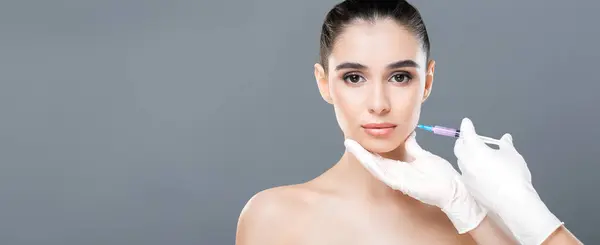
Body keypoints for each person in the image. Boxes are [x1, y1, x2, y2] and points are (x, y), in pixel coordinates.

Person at [236, 1, 517, 244]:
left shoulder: (477, 218)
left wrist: (476, 217)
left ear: (427, 81)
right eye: (354, 78)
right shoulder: (273, 217)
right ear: (324, 83)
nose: (379, 104)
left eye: (400, 77)